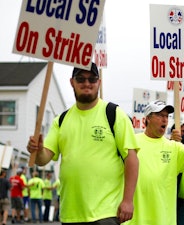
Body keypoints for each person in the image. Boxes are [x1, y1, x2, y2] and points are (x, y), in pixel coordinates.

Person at [26, 62, 140, 224]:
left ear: (98, 83)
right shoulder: (61, 120)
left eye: (92, 79)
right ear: (72, 82)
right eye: (81, 79)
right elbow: (44, 159)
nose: (87, 83)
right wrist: (36, 150)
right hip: (71, 214)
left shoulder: (114, 114)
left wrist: (128, 200)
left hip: (105, 213)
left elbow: (132, 159)